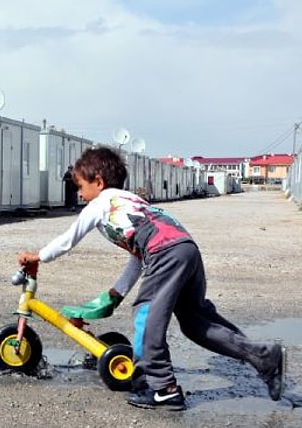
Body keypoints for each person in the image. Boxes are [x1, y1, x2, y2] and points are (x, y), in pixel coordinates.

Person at [18, 146, 284, 411]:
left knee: (145, 315)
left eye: (81, 186)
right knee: (195, 323)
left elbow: (68, 240)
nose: (79, 193)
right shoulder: (132, 202)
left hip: (166, 253)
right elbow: (139, 257)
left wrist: (38, 256)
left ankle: (164, 388)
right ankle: (263, 356)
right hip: (186, 249)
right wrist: (117, 292)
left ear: (98, 182)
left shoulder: (100, 203)